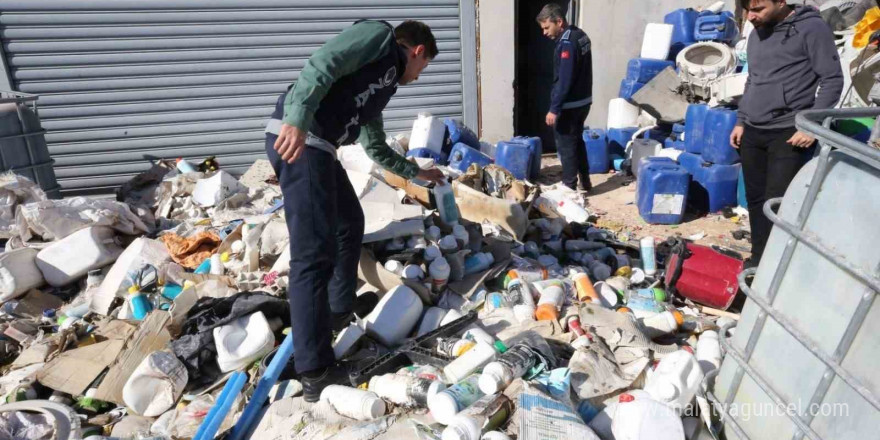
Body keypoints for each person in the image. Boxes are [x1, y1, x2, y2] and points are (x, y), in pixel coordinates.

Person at [265, 19, 446, 402]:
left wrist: (417, 173)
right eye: (423, 67)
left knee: (350, 224)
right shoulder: (378, 38)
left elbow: (375, 146)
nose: (419, 75)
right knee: (312, 254)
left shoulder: (380, 86)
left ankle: (337, 310)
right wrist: (296, 119)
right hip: (301, 140)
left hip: (321, 149)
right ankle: (315, 370)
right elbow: (323, 62)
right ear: (417, 51)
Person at [730, 0, 842, 268]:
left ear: (781, 2)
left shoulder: (811, 28)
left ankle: (778, 266)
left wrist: (810, 125)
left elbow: (832, 79)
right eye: (748, 10)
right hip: (753, 130)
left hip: (788, 132)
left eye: (758, 9)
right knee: (755, 201)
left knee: (777, 203)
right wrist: (741, 120)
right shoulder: (758, 32)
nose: (751, 17)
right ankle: (759, 260)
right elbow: (754, 79)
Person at [537, 4, 594, 192]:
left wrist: (554, 108)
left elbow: (565, 79)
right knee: (577, 141)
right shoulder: (581, 35)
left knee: (566, 146)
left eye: (547, 27)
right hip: (584, 101)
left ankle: (569, 187)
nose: (544, 33)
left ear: (559, 22)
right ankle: (585, 181)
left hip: (570, 104)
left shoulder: (567, 43)